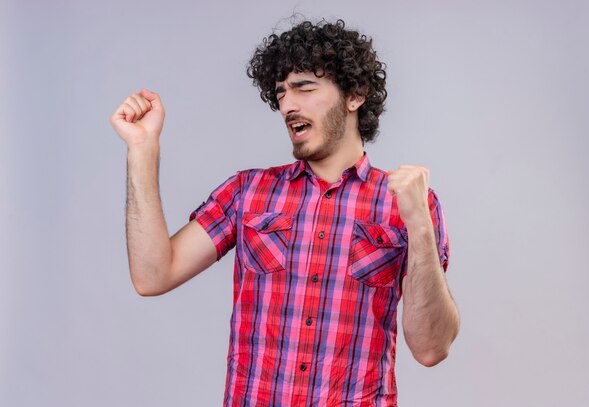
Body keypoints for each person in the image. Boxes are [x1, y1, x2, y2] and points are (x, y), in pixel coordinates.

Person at [110, 19, 459, 406]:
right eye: (280, 94)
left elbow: (431, 348)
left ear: (355, 95)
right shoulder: (248, 193)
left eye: (305, 88)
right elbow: (153, 275)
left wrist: (420, 229)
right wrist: (143, 150)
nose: (288, 105)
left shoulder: (409, 204)